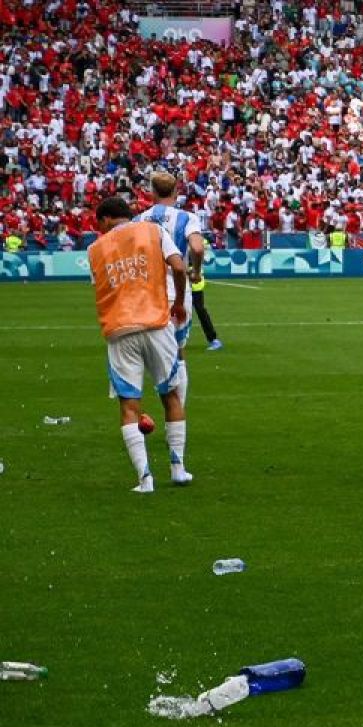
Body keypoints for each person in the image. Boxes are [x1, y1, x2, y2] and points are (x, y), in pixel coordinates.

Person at [87, 196, 192, 493]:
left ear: (106, 219)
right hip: (157, 324)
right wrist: (180, 303)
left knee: (129, 406)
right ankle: (178, 468)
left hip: (120, 329)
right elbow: (179, 267)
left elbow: (100, 284)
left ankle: (145, 479)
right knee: (171, 395)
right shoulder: (154, 231)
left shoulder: (95, 249)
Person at [135, 173, 207, 404]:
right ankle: (177, 414)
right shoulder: (187, 218)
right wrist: (195, 272)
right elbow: (197, 248)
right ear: (176, 192)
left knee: (145, 349)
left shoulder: (139, 220)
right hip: (176, 287)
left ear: (152, 193)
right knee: (177, 350)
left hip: (147, 289)